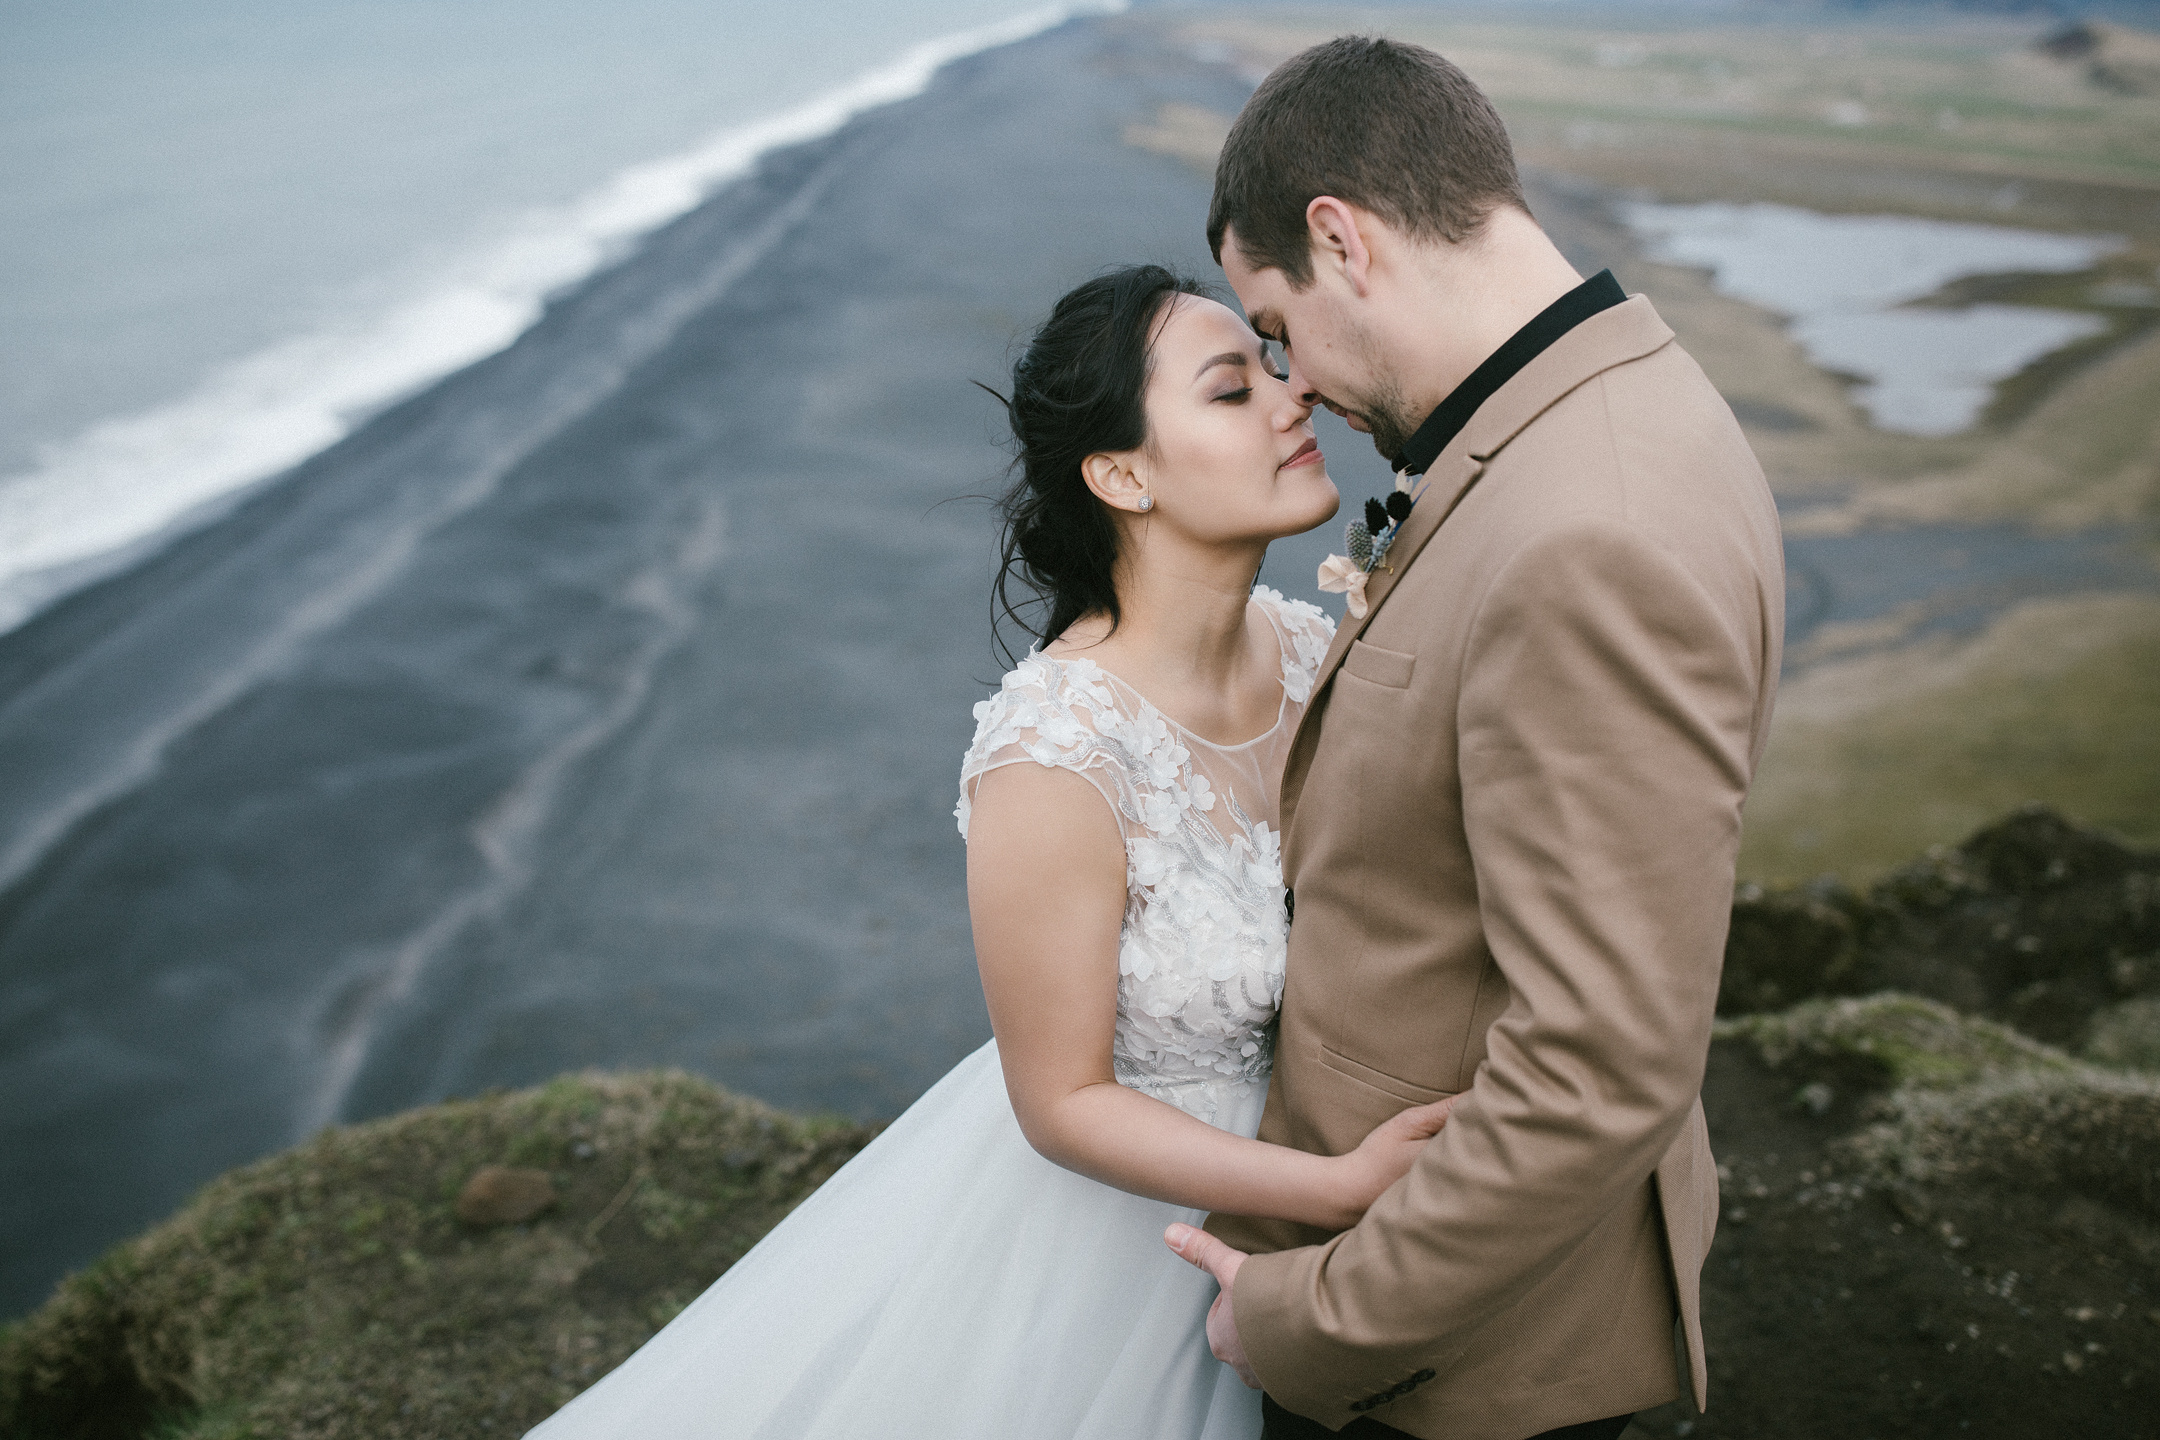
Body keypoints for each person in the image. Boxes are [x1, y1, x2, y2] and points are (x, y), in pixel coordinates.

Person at [523, 263, 1452, 1440]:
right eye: (1233, 390)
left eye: (1275, 368)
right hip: (1127, 1255)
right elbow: (1061, 1100)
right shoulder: (1056, 751)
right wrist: (1330, 1188)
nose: (1293, 399)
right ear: (1120, 474)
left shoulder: (1311, 647)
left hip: (1321, 1221)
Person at [1160, 36, 1786, 1440]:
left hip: (1462, 1369)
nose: (1296, 384)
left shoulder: (1589, 528)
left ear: (1342, 238)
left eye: (1276, 325)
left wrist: (1311, 1319)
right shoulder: (1585, 411)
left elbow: (1601, 1065)